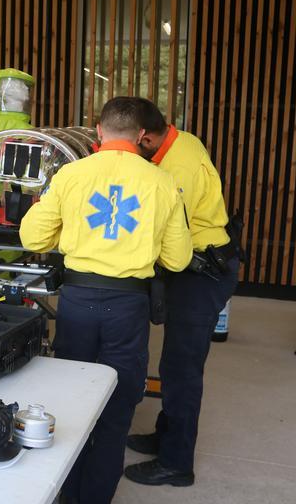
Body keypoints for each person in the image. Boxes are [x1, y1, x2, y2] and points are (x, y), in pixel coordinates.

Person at [20, 97, 193, 504]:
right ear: (141, 137)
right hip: (128, 308)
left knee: (72, 403)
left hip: (77, 304)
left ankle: (67, 493)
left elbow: (32, 237)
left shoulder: (70, 175)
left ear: (98, 131)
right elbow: (178, 258)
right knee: (116, 408)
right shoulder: (162, 182)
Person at [123, 98, 241, 487]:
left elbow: (163, 236)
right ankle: (165, 436)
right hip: (202, 263)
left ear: (144, 137)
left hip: (201, 273)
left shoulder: (177, 169)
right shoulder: (180, 139)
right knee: (176, 363)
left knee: (182, 370)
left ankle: (177, 463)